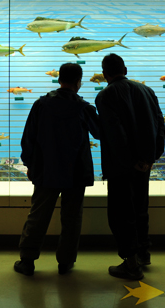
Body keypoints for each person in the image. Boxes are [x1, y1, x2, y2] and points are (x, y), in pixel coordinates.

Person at [15, 63, 99, 276]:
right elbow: (99, 133)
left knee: (38, 215)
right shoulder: (84, 108)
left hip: (46, 170)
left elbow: (28, 138)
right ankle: (66, 261)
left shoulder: (41, 105)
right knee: (72, 218)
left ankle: (27, 261)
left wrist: (30, 165)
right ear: (79, 82)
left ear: (59, 79)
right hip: (76, 173)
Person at [95, 53, 165, 280]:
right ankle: (144, 253)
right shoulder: (147, 91)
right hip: (145, 165)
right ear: (124, 69)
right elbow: (160, 125)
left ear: (105, 74)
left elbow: (115, 134)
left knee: (121, 213)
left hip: (121, 166)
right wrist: (151, 157)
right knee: (140, 208)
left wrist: (130, 161)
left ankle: (131, 264)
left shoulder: (105, 96)